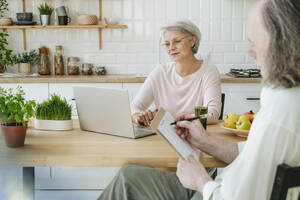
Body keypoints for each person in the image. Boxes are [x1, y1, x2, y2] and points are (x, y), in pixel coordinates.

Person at [98, 0, 300, 199]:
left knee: (127, 177)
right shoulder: (283, 102)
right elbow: (249, 152)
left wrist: (200, 180)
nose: (249, 51)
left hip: (209, 185)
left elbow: (229, 194)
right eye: (167, 43)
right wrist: (205, 142)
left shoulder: (279, 113)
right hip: (205, 174)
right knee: (131, 175)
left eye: (253, 41)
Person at [131, 20, 222, 126]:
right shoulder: (160, 72)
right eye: (166, 44)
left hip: (195, 134)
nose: (171, 48)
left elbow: (213, 113)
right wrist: (138, 117)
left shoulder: (208, 71)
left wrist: (173, 119)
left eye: (177, 41)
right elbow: (135, 106)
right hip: (164, 135)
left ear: (192, 41)